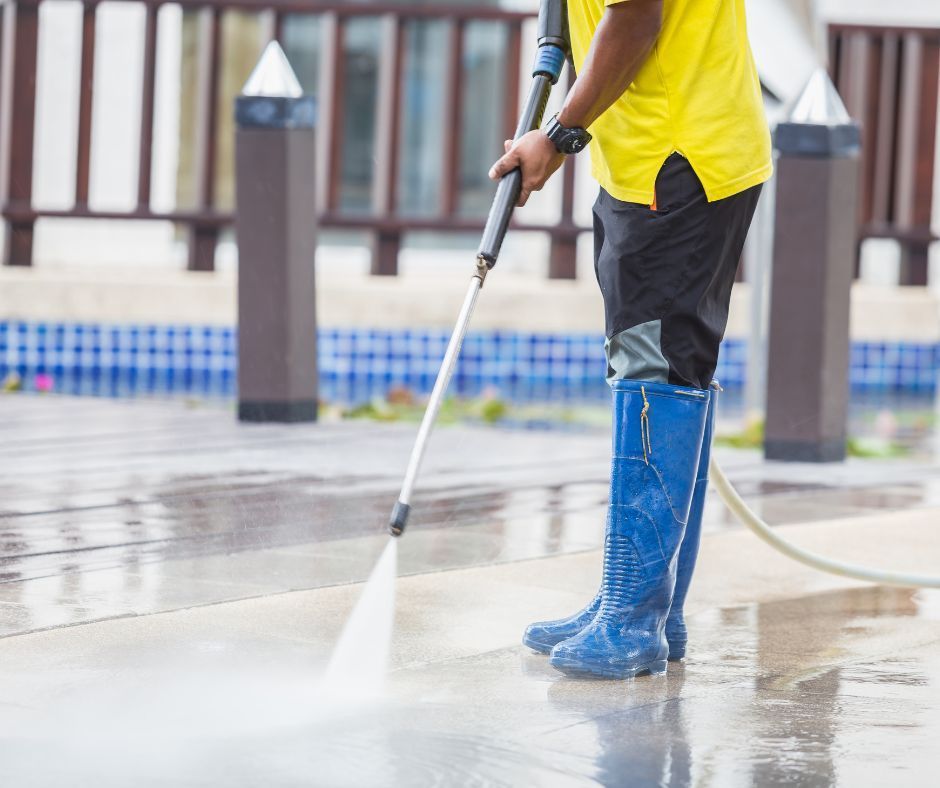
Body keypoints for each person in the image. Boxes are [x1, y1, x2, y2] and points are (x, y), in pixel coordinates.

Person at [489, 0, 771, 678]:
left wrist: (556, 135)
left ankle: (634, 618)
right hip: (643, 166)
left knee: (660, 376)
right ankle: (641, 602)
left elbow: (636, 18)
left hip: (679, 166)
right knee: (646, 367)